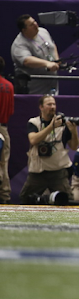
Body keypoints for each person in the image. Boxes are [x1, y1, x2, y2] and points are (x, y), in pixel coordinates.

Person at [19, 95, 79, 204]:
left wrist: (74, 131)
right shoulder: (34, 122)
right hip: (38, 171)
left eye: (54, 104)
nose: (52, 107)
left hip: (58, 171)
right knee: (25, 199)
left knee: (68, 201)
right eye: (49, 104)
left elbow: (74, 146)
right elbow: (33, 140)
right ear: (41, 107)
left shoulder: (63, 124)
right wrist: (51, 127)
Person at [11, 14, 60, 95]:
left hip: (52, 83)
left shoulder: (43, 31)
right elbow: (27, 60)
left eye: (34, 22)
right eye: (31, 25)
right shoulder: (19, 45)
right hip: (34, 88)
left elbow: (52, 45)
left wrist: (56, 60)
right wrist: (47, 64)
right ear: (24, 30)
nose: (35, 25)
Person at [0, 57, 13, 204]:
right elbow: (10, 111)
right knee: (3, 163)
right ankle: (4, 196)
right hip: (3, 128)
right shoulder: (9, 86)